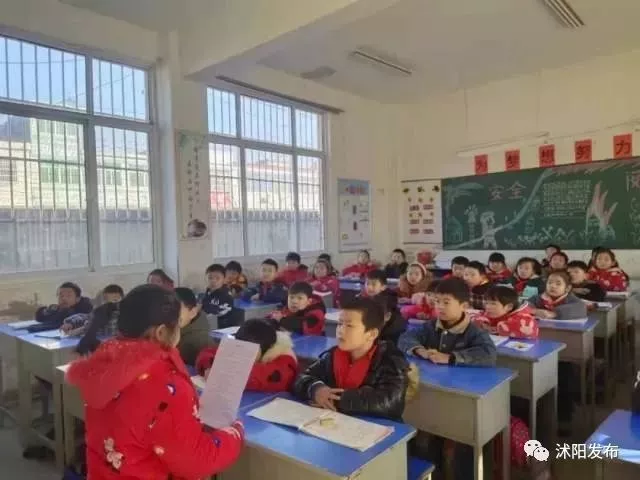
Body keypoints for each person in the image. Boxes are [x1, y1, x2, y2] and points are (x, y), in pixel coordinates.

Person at [66, 284, 244, 479]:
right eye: (178, 325)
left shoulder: (104, 364)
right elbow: (196, 461)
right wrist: (234, 433)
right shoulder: (165, 385)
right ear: (161, 332)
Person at [398, 278, 496, 480]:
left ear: (464, 305)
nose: (439, 307)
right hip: (431, 395)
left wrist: (451, 357)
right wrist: (420, 350)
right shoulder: (430, 326)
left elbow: (489, 354)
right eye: (437, 302)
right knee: (423, 436)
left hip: (462, 398)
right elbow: (405, 338)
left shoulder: (474, 331)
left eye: (446, 302)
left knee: (464, 446)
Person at [293, 297, 409, 420]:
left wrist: (334, 399)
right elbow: (302, 378)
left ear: (372, 334)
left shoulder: (391, 360)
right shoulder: (333, 355)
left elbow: (391, 402)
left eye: (349, 326)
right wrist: (315, 389)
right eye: (340, 324)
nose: (340, 331)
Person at [196, 319, 297, 392]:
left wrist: (224, 372)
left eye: (250, 350)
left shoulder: (285, 359)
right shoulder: (243, 345)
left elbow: (264, 376)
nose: (243, 353)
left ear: (267, 348)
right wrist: (209, 367)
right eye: (239, 346)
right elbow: (207, 353)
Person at [474, 286, 538, 339]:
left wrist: (497, 329)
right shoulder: (488, 313)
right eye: (486, 303)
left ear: (509, 307)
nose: (487, 307)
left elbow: (525, 329)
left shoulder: (523, 317)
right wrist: (483, 324)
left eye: (493, 304)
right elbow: (475, 317)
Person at [175, 287, 214, 366]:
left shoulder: (200, 343)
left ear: (193, 312)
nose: (170, 315)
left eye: (176, 310)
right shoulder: (171, 333)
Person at [202, 264, 239, 329]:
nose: (213, 281)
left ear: (224, 280)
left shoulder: (226, 295)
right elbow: (204, 304)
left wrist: (204, 308)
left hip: (222, 327)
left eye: (217, 278)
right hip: (209, 323)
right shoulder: (208, 292)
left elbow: (221, 311)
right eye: (210, 278)